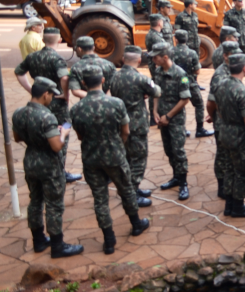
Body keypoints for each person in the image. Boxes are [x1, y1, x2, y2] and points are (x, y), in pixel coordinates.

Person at [70, 65, 148, 254]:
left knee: (100, 199)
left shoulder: (76, 109)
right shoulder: (116, 104)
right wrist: (116, 144)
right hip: (114, 156)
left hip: (91, 158)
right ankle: (136, 224)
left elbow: (80, 136)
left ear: (83, 83)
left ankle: (109, 239)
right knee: (126, 190)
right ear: (103, 80)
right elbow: (126, 131)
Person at [12, 77, 83, 258]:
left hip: (30, 162)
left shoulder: (18, 113)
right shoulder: (47, 116)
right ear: (45, 94)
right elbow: (56, 146)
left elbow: (17, 138)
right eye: (51, 95)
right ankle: (58, 246)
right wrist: (64, 133)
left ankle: (38, 241)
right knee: (54, 205)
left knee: (35, 201)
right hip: (49, 165)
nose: (52, 98)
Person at [15, 27, 81, 183]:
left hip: (38, 100)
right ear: (59, 40)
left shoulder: (32, 57)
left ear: (43, 40)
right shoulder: (56, 59)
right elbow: (64, 78)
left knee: (39, 131)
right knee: (60, 133)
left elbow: (19, 72)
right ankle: (60, 171)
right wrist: (65, 95)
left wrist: (31, 89)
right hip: (56, 102)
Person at [108, 45, 161, 208]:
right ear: (139, 60)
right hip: (136, 124)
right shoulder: (141, 78)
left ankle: (131, 190)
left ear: (124, 60)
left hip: (120, 123)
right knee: (138, 159)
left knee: (127, 157)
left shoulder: (114, 77)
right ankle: (132, 193)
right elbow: (157, 91)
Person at [214, 53, 245, 218]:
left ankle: (229, 205)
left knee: (229, 169)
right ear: (244, 68)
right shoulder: (242, 91)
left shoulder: (220, 85)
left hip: (224, 132)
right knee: (243, 170)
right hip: (240, 136)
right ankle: (238, 207)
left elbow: (215, 106)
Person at [150, 41, 191, 201]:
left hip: (175, 120)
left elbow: (185, 99)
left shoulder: (180, 74)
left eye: (156, 57)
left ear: (165, 57)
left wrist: (168, 116)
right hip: (162, 118)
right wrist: (154, 111)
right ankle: (175, 176)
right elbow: (156, 93)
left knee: (178, 151)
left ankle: (183, 183)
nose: (153, 60)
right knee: (168, 150)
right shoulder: (158, 71)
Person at [206, 40, 242, 203]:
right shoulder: (220, 75)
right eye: (232, 54)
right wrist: (211, 114)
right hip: (222, 121)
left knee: (229, 156)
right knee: (222, 156)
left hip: (229, 119)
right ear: (225, 56)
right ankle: (222, 187)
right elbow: (211, 102)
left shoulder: (232, 70)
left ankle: (228, 185)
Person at [172, 29, 214, 138]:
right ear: (187, 39)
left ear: (176, 39)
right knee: (199, 104)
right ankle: (200, 129)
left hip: (174, 82)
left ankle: (182, 129)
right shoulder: (192, 53)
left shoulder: (170, 52)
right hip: (188, 80)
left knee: (179, 105)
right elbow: (197, 71)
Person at [224, 0, 245, 87]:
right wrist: (230, 38)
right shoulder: (229, 14)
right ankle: (235, 80)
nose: (241, 2)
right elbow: (225, 27)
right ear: (234, 2)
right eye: (239, 1)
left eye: (242, 1)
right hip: (235, 42)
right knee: (234, 60)